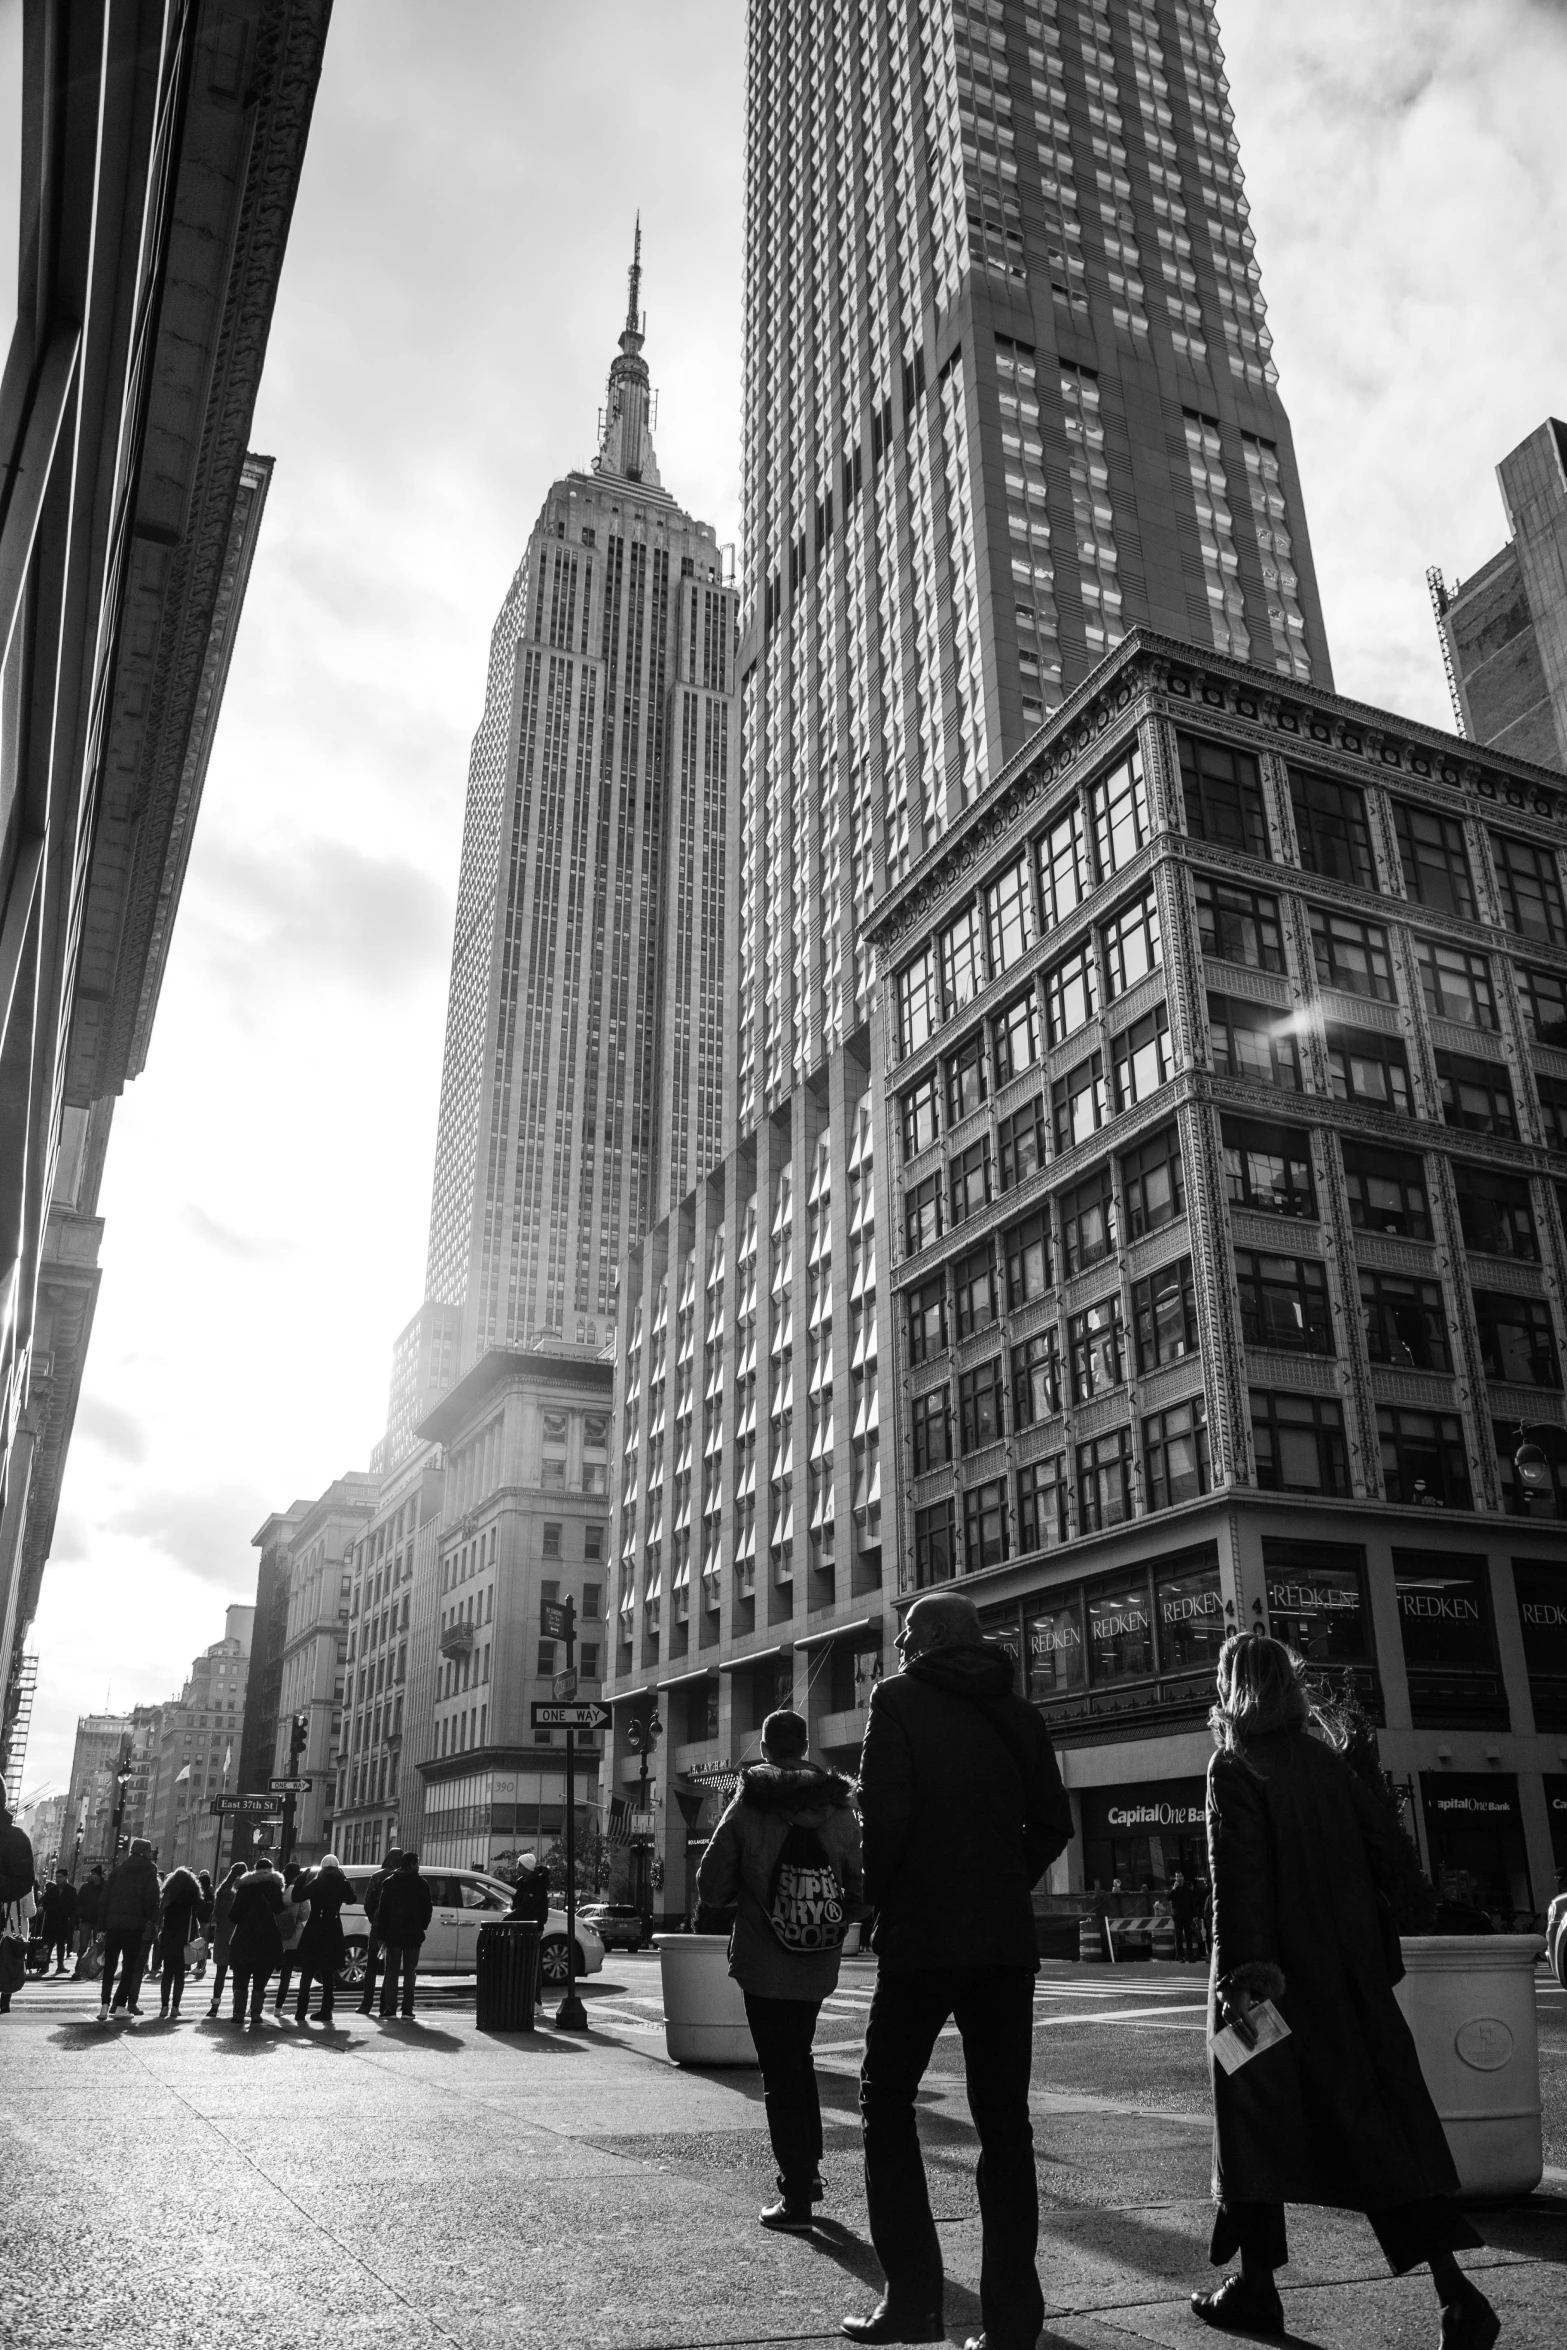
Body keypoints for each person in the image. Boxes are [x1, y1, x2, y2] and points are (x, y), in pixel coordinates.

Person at [1193, 1633, 1498, 2348]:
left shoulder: (1234, 1767)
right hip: (1347, 1981)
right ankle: (1456, 2293)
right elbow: (1388, 1854)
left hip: (1265, 1990)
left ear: (1232, 1686)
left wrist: (1241, 1983)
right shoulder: (1327, 1765)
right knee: (1376, 2134)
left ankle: (1258, 2290)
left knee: (1250, 2129)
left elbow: (1238, 1883)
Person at [847, 1591, 1072, 2350]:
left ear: (937, 1636)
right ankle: (1013, 2322)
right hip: (1003, 1940)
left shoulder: (898, 1700)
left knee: (885, 2104)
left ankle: (912, 2300)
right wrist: (1004, 1877)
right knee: (1005, 2126)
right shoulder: (1020, 1712)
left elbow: (886, 1814)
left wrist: (876, 1902)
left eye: (909, 1635)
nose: (902, 1647)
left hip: (922, 1935)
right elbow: (1053, 1822)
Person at [697, 1707, 863, 2233]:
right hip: (817, 1958)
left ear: (766, 1748)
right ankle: (806, 2173)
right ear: (807, 1745)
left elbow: (712, 1883)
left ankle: (797, 2191)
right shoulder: (839, 1807)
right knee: (800, 2057)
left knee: (780, 2068)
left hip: (763, 1959)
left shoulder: (749, 1805)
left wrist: (741, 1895)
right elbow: (860, 1887)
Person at [98, 1838, 161, 2022]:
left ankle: (104, 2005)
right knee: (129, 1967)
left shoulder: (118, 1870)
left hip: (113, 1924)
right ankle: (120, 2007)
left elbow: (104, 1898)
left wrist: (102, 1925)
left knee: (110, 1966)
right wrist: (149, 1917)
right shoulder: (150, 1870)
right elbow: (152, 1898)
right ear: (145, 1852)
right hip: (134, 1926)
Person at [228, 1854, 286, 2028]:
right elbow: (280, 1911)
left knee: (242, 1978)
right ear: (271, 1870)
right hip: (267, 1940)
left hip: (244, 1939)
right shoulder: (275, 1887)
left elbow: (233, 1915)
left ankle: (238, 2014)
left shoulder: (244, 1888)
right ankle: (255, 2014)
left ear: (255, 1870)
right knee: (260, 1979)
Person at [293, 1851, 351, 2023]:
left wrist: (302, 1878)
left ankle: (301, 2010)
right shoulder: (342, 1883)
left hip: (315, 1928)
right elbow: (351, 1898)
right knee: (328, 1972)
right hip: (333, 1929)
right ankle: (326, 2010)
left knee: (308, 1971)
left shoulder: (317, 1882)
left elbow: (297, 1896)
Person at [375, 1849, 433, 2019]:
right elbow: (427, 1908)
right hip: (414, 1933)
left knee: (391, 1972)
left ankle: (390, 2009)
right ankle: (407, 2009)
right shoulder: (421, 1883)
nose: (419, 1866)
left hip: (393, 1934)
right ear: (412, 1864)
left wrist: (381, 1936)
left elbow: (383, 1911)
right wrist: (423, 1925)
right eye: (417, 1863)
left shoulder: (390, 1882)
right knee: (410, 1972)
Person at [154, 1866, 209, 2020]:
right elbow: (203, 1909)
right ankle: (175, 2007)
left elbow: (160, 1912)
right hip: (185, 1937)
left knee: (167, 1973)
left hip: (168, 1936)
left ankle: (164, 2006)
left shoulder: (169, 1894)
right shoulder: (192, 1894)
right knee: (179, 1974)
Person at [357, 1845, 402, 2016]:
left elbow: (368, 1903)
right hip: (395, 1927)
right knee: (391, 1968)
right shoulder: (401, 1878)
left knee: (372, 1967)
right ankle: (385, 2004)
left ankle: (366, 2004)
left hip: (377, 1925)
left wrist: (374, 1918)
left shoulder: (377, 1876)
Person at [0, 1803, 34, 2015]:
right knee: (9, 1965)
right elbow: (30, 1912)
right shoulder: (23, 1885)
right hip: (14, 1931)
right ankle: (5, 2001)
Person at [206, 1861, 245, 2017]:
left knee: (220, 1973)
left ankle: (215, 2006)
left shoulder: (221, 1890)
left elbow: (215, 1915)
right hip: (237, 1935)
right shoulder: (241, 1890)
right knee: (238, 1974)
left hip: (222, 1935)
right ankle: (236, 2006)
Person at [273, 1862, 312, 2014]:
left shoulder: (277, 1890)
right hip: (292, 1935)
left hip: (275, 1934)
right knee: (286, 1974)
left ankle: (255, 2007)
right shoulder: (299, 1892)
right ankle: (278, 2007)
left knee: (265, 1972)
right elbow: (305, 1914)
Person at [39, 1869, 77, 1974]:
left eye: (59, 1876)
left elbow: (74, 1906)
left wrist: (72, 1918)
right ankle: (44, 1965)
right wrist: (42, 1908)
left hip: (63, 1921)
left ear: (65, 1877)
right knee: (48, 1944)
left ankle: (60, 1965)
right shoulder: (52, 1890)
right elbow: (45, 1903)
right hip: (50, 1921)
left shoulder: (71, 1890)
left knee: (61, 1945)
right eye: (57, 1877)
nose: (57, 1879)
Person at [1170, 1873, 1197, 1965]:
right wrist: (1173, 1888)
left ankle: (1190, 1956)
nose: (1178, 1878)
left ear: (1183, 1877)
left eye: (1180, 1876)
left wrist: (1194, 1916)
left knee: (1188, 1937)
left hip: (1187, 1917)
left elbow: (1192, 1903)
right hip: (1177, 1917)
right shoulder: (1174, 1889)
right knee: (1179, 1937)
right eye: (1177, 1876)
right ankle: (1181, 1957)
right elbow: (1168, 1897)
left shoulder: (1187, 1889)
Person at [191, 1872, 214, 1978]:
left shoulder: (206, 1893)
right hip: (204, 1920)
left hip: (203, 1920)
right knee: (201, 1943)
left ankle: (201, 1965)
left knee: (201, 1943)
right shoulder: (207, 1892)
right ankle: (200, 1964)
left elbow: (208, 1907)